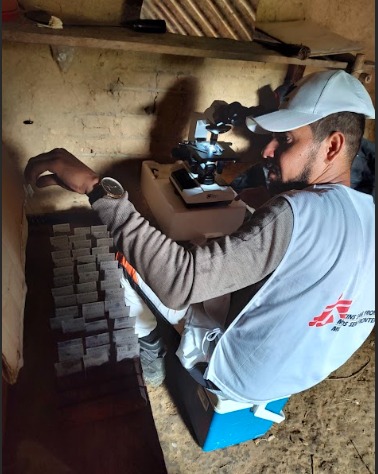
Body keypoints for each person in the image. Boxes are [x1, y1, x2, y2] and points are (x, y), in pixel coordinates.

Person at [24, 70, 375, 404]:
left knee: (123, 256)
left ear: (332, 147)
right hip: (303, 370)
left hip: (236, 375)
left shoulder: (295, 213)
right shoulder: (367, 213)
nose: (267, 151)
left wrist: (95, 187)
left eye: (285, 140)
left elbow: (179, 281)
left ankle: (149, 349)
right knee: (211, 245)